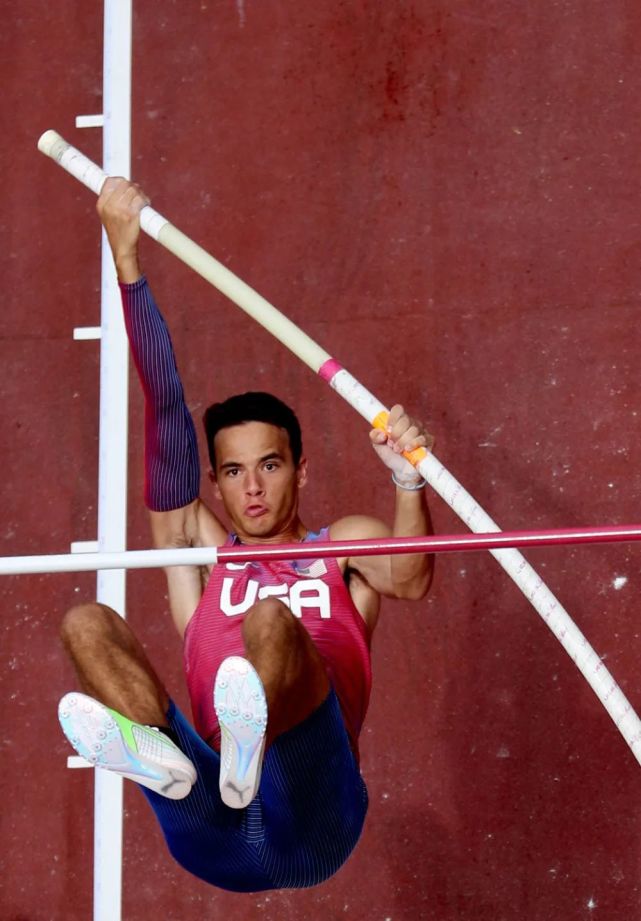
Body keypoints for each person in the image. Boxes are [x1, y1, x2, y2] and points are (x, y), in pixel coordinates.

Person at [58, 178, 435, 892]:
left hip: (313, 823)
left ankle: (244, 745)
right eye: (231, 471)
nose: (251, 488)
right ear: (218, 479)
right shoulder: (197, 547)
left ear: (299, 467)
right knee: (85, 625)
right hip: (214, 835)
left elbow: (413, 576)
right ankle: (164, 759)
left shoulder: (341, 546)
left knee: (271, 622)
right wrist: (127, 260)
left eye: (268, 464)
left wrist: (406, 478)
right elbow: (165, 408)